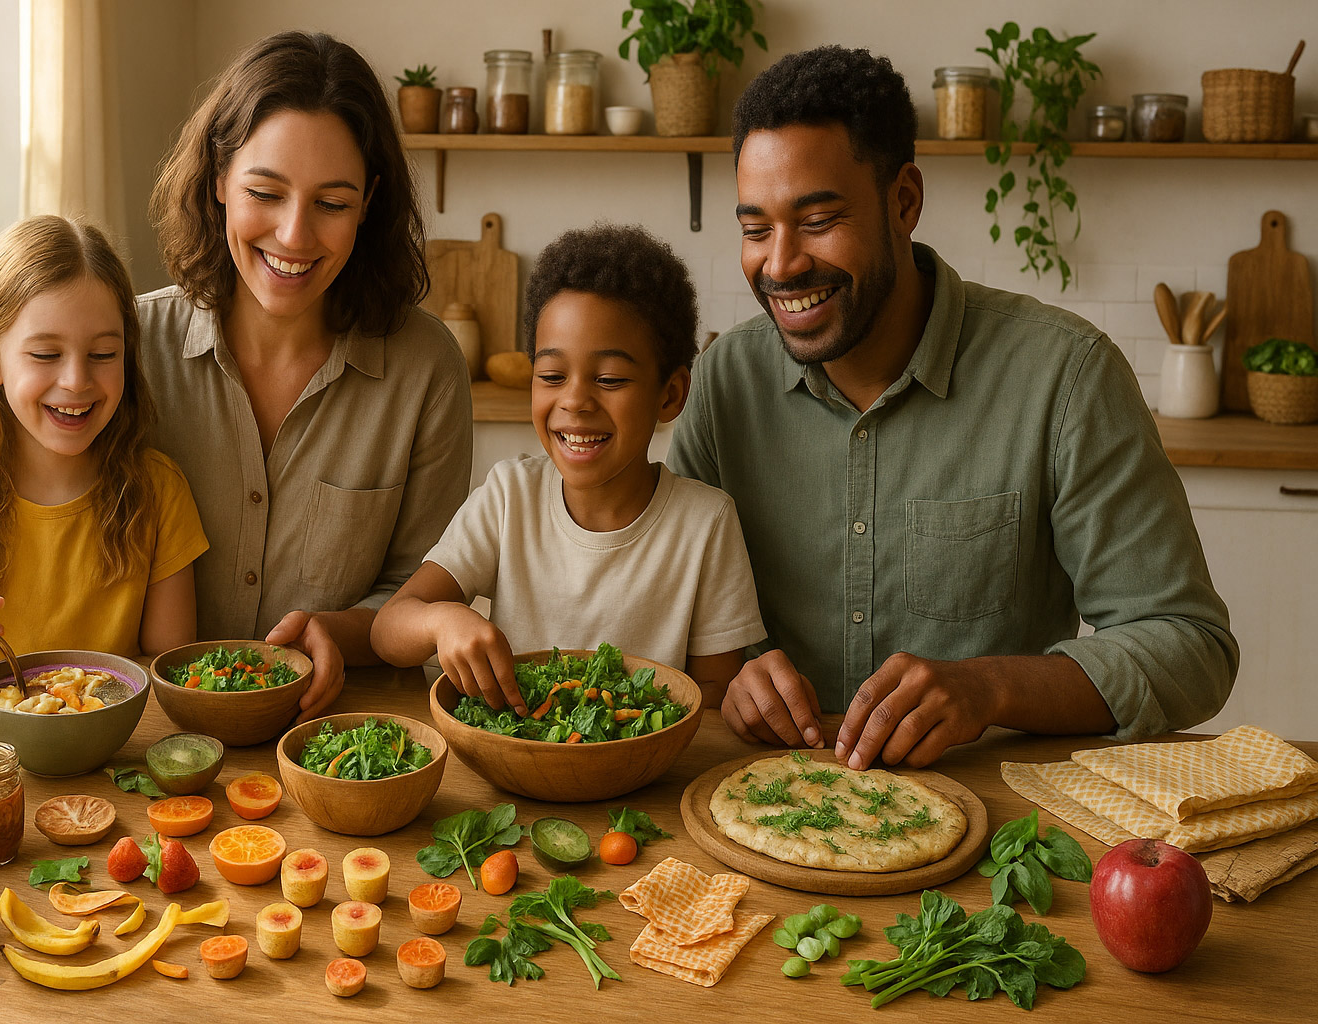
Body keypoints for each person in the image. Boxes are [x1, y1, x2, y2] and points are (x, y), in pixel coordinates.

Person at [668, 46, 1237, 767]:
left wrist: (991, 688)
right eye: (756, 230)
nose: (780, 264)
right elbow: (664, 613)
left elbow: (1190, 647)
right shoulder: (725, 383)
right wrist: (731, 678)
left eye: (817, 220)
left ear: (904, 201)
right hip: (762, 811)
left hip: (994, 822)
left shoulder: (1064, 375)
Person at [142, 31, 472, 724]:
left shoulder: (426, 368)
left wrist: (343, 633)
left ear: (370, 204)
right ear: (218, 183)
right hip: (153, 737)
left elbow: (424, 589)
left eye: (332, 204)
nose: (294, 236)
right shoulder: (133, 349)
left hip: (343, 735)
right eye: (266, 191)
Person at [371, 224, 766, 712]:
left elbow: (713, 699)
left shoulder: (707, 524)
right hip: (515, 762)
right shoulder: (508, 496)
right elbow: (389, 628)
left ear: (670, 394)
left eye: (610, 379)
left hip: (642, 773)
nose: (575, 401)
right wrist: (442, 621)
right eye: (552, 376)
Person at [0, 215, 209, 691]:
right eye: (46, 354)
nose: (76, 380)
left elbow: (170, 673)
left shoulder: (159, 490)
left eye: (102, 355)